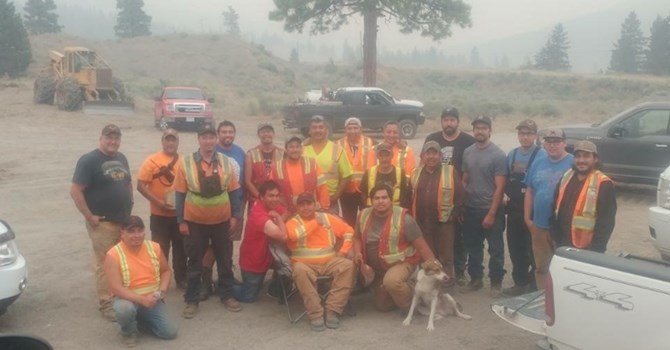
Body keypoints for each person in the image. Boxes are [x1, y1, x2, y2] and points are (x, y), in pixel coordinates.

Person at [173, 124, 243, 319]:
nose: (209, 141)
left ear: (215, 139)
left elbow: (234, 191)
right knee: (194, 261)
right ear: (199, 139)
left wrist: (235, 216)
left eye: (211, 137)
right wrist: (181, 220)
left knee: (225, 259)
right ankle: (191, 300)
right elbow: (179, 194)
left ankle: (227, 295)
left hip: (222, 220)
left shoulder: (225, 162)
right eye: (205, 137)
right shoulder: (185, 162)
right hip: (195, 221)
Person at [70, 124, 133, 321]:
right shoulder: (89, 160)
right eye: (109, 137)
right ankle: (107, 304)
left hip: (122, 221)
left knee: (121, 261)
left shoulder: (121, 158)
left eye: (116, 138)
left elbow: (128, 183)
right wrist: (89, 216)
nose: (113, 141)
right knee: (105, 264)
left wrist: (129, 206)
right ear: (101, 138)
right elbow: (75, 190)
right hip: (103, 223)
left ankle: (121, 296)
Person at [352, 184, 439, 312]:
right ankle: (393, 290)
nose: (380, 201)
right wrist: (357, 253)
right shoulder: (363, 215)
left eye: (384, 197)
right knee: (383, 306)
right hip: (378, 268)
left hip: (402, 263)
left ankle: (413, 302)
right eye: (376, 198)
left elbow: (422, 247)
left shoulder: (405, 219)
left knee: (392, 282)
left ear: (391, 199)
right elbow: (356, 238)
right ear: (371, 201)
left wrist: (435, 268)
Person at [285, 192, 356, 331]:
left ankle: (333, 310)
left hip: (330, 261)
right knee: (299, 270)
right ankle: (315, 314)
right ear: (297, 208)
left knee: (348, 266)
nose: (306, 208)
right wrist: (314, 223)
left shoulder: (328, 218)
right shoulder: (292, 222)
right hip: (304, 265)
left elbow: (349, 231)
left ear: (315, 205)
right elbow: (294, 236)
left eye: (309, 204)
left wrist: (343, 251)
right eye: (302, 205)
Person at [104, 216, 177, 347]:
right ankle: (128, 331)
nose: (136, 235)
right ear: (122, 233)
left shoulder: (154, 247)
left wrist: (162, 291)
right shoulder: (113, 255)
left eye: (140, 230)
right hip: (127, 299)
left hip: (153, 299)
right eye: (131, 231)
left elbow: (166, 271)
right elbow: (116, 288)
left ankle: (136, 319)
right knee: (125, 309)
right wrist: (142, 300)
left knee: (169, 332)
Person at [423, 107, 475, 285]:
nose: (449, 123)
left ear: (458, 122)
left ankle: (459, 273)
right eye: (446, 120)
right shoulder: (432, 139)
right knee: (435, 243)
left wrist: (458, 206)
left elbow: (470, 170)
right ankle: (435, 276)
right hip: (433, 203)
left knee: (457, 241)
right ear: (441, 121)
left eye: (452, 120)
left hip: (456, 199)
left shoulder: (468, 141)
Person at [196, 120, 247, 301]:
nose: (227, 135)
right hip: (213, 209)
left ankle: (226, 277)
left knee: (227, 244)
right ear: (218, 135)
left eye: (230, 132)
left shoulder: (240, 153)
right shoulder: (210, 152)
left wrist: (240, 209)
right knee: (210, 246)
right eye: (224, 132)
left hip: (234, 206)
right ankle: (206, 279)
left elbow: (243, 182)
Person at [461, 115, 507, 297]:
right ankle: (476, 279)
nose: (480, 131)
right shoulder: (468, 152)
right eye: (477, 128)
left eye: (483, 128)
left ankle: (496, 282)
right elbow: (465, 179)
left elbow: (500, 187)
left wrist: (491, 213)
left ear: (490, 130)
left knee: (495, 248)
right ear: (473, 130)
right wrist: (462, 204)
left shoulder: (498, 155)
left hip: (491, 208)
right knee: (473, 246)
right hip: (471, 208)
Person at [136, 128, 186, 290]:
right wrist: (158, 202)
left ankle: (181, 278)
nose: (170, 143)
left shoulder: (184, 161)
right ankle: (158, 280)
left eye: (174, 140)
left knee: (181, 249)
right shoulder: (151, 160)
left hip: (179, 215)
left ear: (178, 142)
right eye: (167, 140)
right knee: (159, 249)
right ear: (162, 141)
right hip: (159, 215)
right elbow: (141, 185)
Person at [524, 128, 573, 290]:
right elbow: (530, 191)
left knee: (564, 267)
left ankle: (563, 300)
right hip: (539, 226)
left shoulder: (573, 164)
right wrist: (527, 219)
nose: (552, 146)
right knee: (542, 268)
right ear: (544, 144)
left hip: (562, 228)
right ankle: (544, 301)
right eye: (549, 142)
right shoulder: (538, 163)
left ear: (564, 143)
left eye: (557, 142)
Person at [502, 120, 545, 296]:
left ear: (535, 135)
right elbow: (504, 178)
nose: (525, 137)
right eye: (522, 133)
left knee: (533, 249)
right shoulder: (512, 155)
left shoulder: (542, 155)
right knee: (515, 247)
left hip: (534, 211)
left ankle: (534, 285)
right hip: (513, 209)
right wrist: (504, 193)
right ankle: (520, 282)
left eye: (528, 133)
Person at [410, 141, 464, 277]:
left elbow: (461, 196)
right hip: (422, 224)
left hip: (444, 224)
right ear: (422, 156)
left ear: (440, 156)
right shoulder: (415, 173)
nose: (431, 157)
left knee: (446, 258)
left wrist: (453, 215)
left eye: (434, 153)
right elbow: (408, 197)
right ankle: (429, 292)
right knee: (426, 259)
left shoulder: (450, 171)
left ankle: (446, 291)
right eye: (428, 153)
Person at [552, 140, 616, 253]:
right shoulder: (566, 177)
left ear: (595, 159)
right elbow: (555, 207)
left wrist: (596, 250)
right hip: (562, 243)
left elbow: (606, 223)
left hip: (587, 248)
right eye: (578, 156)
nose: (581, 160)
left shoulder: (604, 184)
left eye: (586, 156)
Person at [235, 180, 288, 302]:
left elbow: (286, 211)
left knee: (291, 262)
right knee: (248, 297)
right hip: (254, 261)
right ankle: (224, 285)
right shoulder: (259, 215)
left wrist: (278, 218)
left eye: (276, 195)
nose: (275, 199)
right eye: (270, 195)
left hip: (268, 256)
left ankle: (275, 288)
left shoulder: (270, 206)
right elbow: (283, 236)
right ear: (261, 197)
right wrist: (278, 218)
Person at [303, 115, 353, 214]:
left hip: (330, 202)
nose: (318, 130)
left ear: (326, 130)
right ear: (309, 131)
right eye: (314, 128)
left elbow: (347, 176)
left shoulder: (337, 150)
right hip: (306, 202)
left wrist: (335, 197)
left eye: (321, 127)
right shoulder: (302, 150)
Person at [273, 136, 330, 214]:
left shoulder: (312, 163)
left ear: (302, 149)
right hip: (287, 212)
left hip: (309, 211)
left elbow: (322, 186)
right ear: (286, 150)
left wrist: (324, 208)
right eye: (291, 147)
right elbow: (271, 192)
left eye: (297, 147)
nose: (295, 150)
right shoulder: (277, 167)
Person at [337, 117, 377, 226]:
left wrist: (401, 142)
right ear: (345, 130)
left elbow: (387, 149)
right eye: (349, 128)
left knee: (367, 220)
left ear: (361, 129)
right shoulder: (338, 144)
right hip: (346, 191)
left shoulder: (371, 142)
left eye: (355, 128)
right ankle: (351, 242)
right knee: (349, 221)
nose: (352, 131)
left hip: (366, 190)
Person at [360, 142, 412, 209]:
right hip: (374, 211)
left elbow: (405, 195)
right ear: (377, 156)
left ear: (392, 155)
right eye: (381, 155)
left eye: (387, 155)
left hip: (394, 211)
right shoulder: (369, 173)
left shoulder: (400, 173)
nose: (384, 159)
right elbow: (363, 195)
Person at [245, 122, 284, 209]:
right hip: (257, 199)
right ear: (258, 135)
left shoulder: (282, 153)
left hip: (276, 200)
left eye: (269, 131)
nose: (266, 134)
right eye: (263, 132)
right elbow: (248, 181)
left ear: (273, 133)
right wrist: (260, 197)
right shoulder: (251, 154)